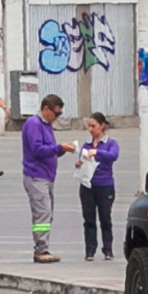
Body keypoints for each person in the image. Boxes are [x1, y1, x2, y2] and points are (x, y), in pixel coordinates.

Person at [21, 93, 75, 264]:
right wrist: (59, 147)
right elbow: (38, 150)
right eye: (56, 114)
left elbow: (49, 148)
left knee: (47, 213)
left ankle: (43, 247)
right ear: (46, 109)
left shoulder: (46, 125)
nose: (57, 118)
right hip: (36, 176)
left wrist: (61, 149)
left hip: (46, 176)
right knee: (42, 213)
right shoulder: (34, 125)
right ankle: (41, 249)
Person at [77, 111, 120, 260]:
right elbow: (81, 160)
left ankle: (107, 249)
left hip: (105, 184)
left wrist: (97, 152)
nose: (90, 129)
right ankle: (90, 250)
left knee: (105, 218)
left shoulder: (110, 144)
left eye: (93, 126)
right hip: (87, 185)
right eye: (89, 126)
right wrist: (79, 163)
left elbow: (113, 155)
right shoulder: (86, 145)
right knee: (88, 219)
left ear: (102, 126)